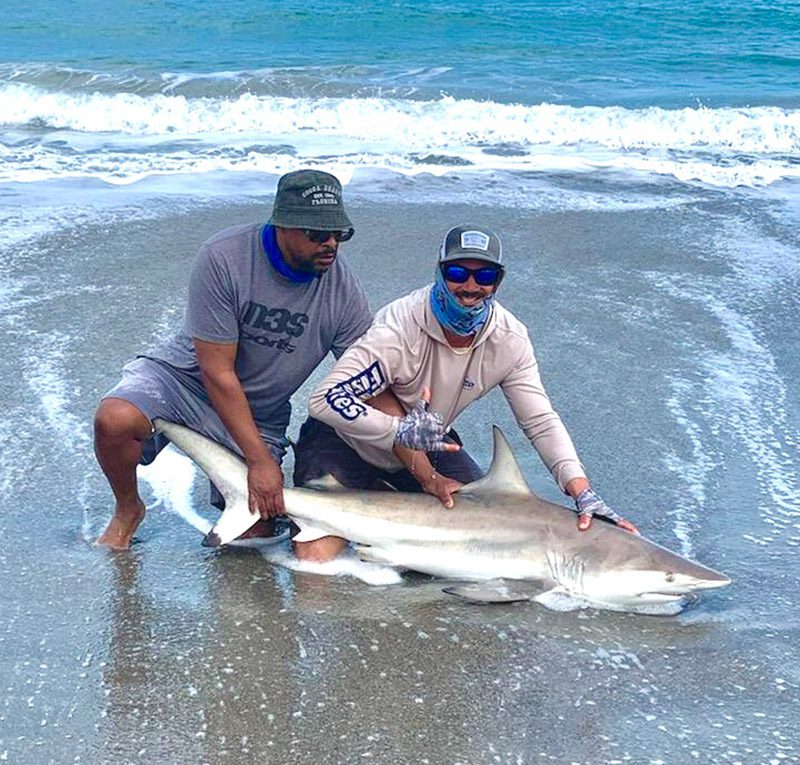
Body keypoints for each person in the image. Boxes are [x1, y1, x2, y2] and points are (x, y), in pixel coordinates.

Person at [297, 224, 638, 561]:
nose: (471, 286)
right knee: (316, 558)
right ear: (439, 271)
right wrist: (400, 433)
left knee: (490, 528)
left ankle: (388, 500)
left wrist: (582, 492)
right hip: (345, 440)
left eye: (485, 275)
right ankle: (378, 496)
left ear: (498, 281)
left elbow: (540, 421)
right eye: (458, 271)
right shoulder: (398, 328)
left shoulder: (509, 340)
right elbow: (324, 400)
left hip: (430, 438)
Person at [94, 169, 372, 550]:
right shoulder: (225, 257)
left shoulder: (342, 292)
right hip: (183, 382)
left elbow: (371, 376)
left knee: (250, 538)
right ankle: (128, 507)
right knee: (114, 420)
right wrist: (259, 462)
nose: (330, 245)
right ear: (282, 226)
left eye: (338, 235)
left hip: (260, 411)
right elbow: (216, 371)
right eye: (317, 234)